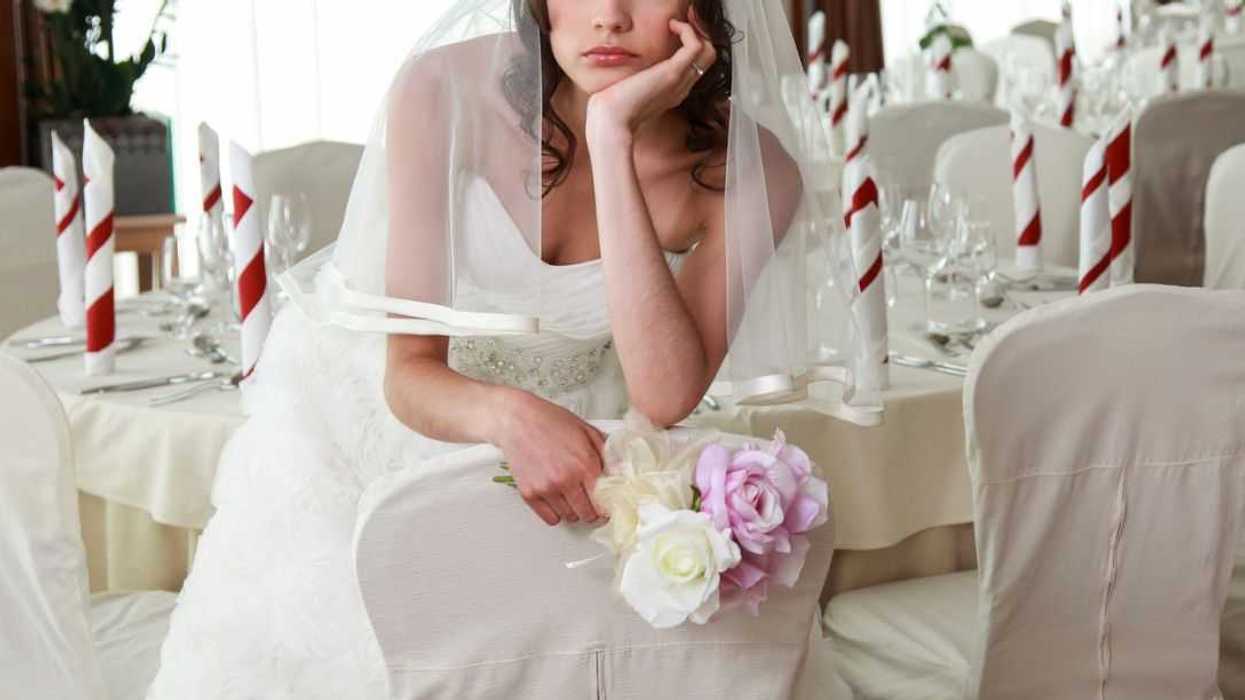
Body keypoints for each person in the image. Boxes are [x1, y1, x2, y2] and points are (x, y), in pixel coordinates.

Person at [148, 1, 856, 697]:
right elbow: (409, 373)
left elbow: (664, 395)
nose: (608, 15)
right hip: (367, 420)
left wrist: (610, 134)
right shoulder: (444, 89)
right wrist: (510, 417)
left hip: (577, 423)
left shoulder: (755, 170)